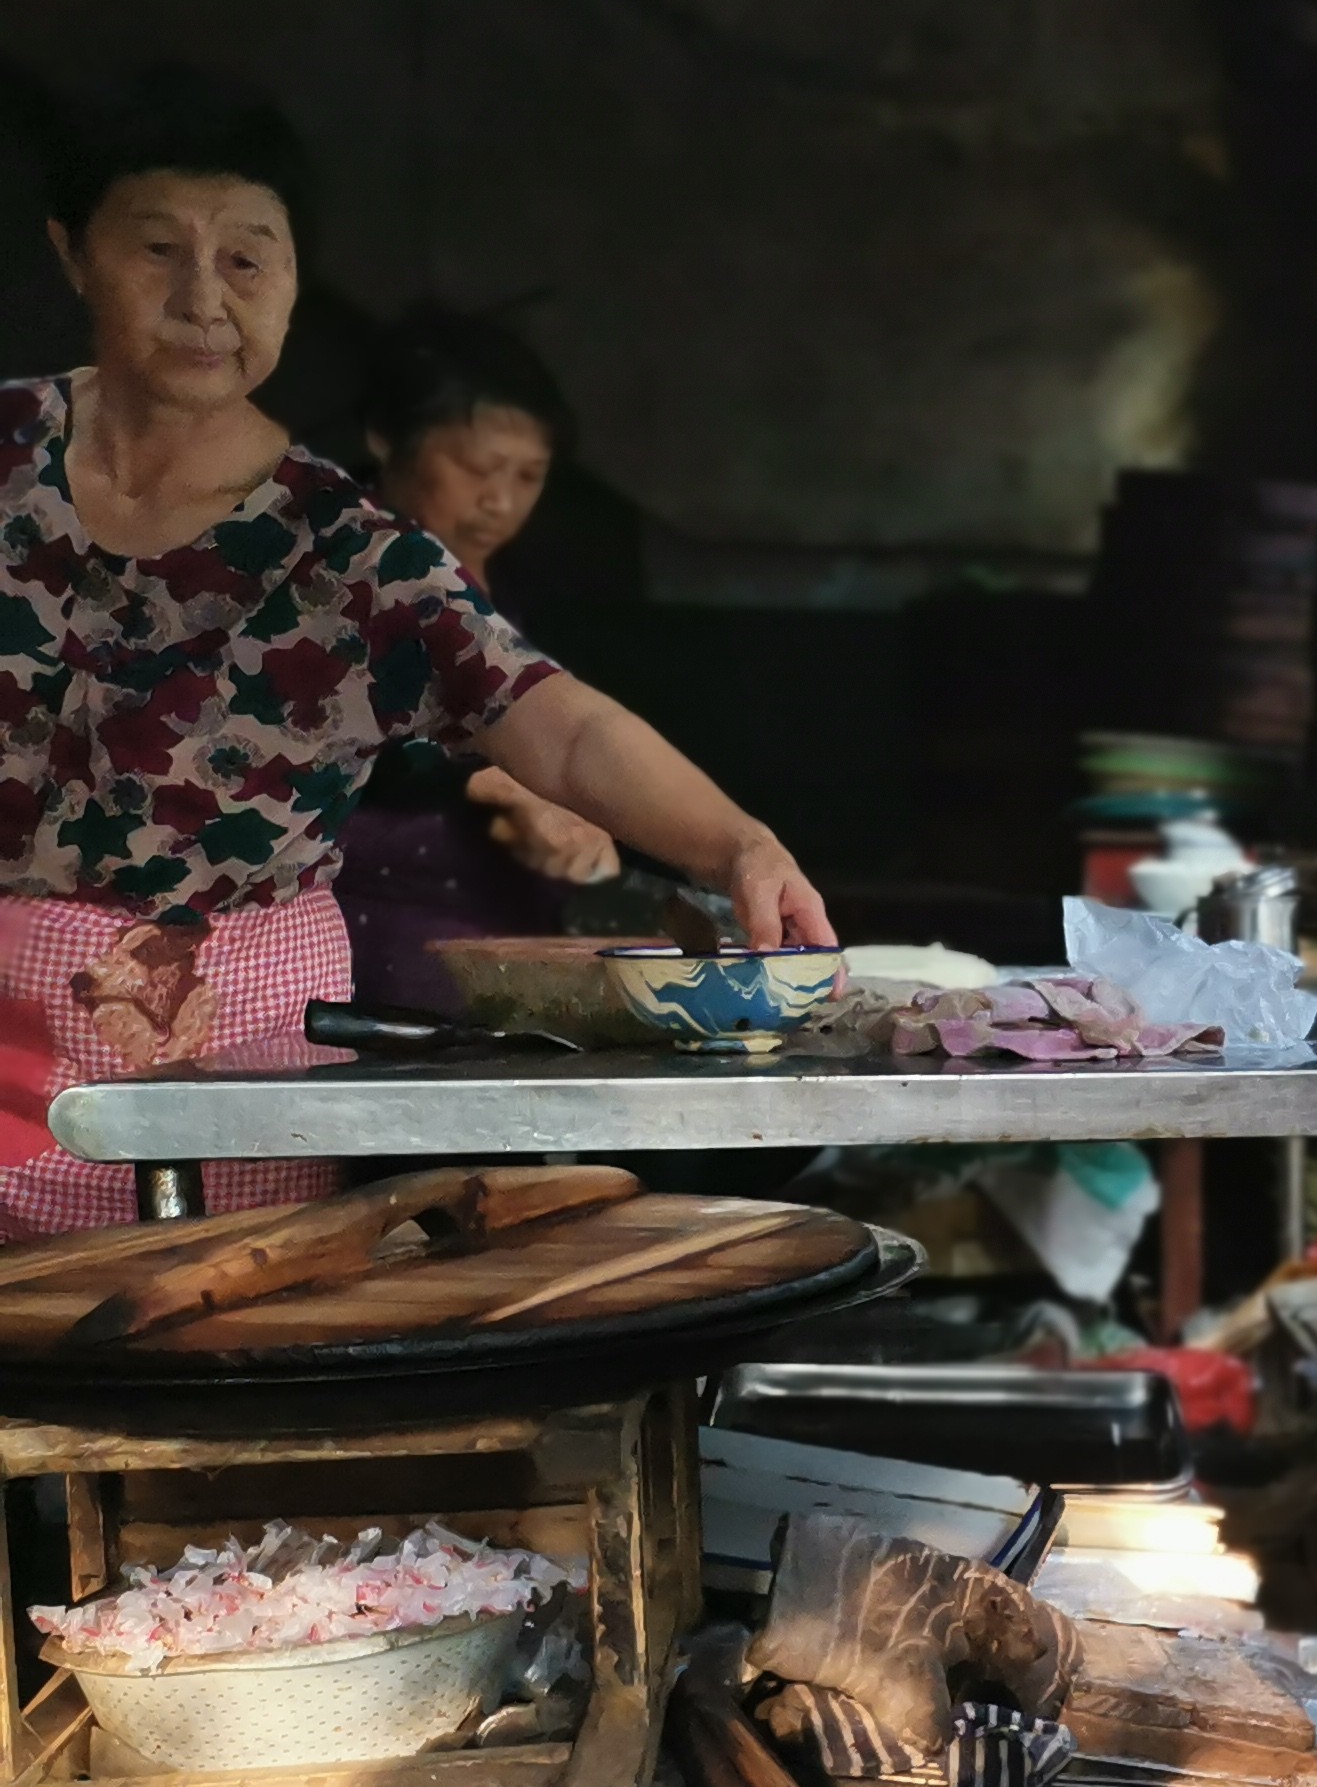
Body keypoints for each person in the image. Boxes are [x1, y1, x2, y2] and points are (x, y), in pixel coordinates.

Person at [0, 70, 829, 1231]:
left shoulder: (348, 549)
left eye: (247, 257)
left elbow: (560, 723)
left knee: (211, 1354)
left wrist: (738, 842)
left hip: (234, 1061)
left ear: (291, 283)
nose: (204, 297)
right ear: (73, 254)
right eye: (156, 250)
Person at [334, 308, 621, 1013]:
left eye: (529, 475)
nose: (500, 500)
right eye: (476, 468)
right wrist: (495, 780)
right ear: (386, 438)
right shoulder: (328, 563)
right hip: (378, 947)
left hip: (510, 936)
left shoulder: (524, 586)